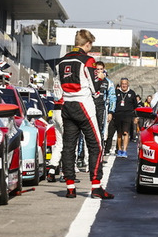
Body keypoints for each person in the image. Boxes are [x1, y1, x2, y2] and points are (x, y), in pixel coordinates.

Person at [56, 29, 113, 199]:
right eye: (91, 45)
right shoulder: (88, 60)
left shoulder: (60, 62)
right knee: (96, 144)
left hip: (67, 105)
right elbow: (96, 89)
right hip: (84, 105)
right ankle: (96, 186)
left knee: (68, 146)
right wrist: (101, 77)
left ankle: (70, 187)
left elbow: (57, 87)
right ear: (87, 44)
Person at [93, 61, 115, 156]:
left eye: (101, 69)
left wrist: (111, 112)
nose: (99, 71)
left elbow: (112, 97)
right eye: (97, 69)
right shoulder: (90, 80)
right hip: (90, 107)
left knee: (100, 131)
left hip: (102, 108)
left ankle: (99, 154)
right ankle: (82, 156)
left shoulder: (108, 82)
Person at [113, 78, 139, 158]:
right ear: (120, 84)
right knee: (119, 134)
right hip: (118, 115)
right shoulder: (116, 92)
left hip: (128, 115)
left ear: (128, 84)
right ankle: (120, 149)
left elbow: (135, 106)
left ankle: (124, 150)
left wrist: (135, 117)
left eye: (125, 84)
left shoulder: (132, 93)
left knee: (126, 132)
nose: (124, 85)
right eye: (122, 84)